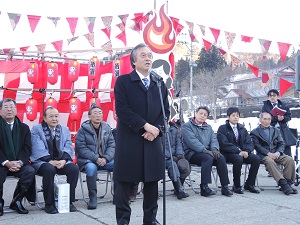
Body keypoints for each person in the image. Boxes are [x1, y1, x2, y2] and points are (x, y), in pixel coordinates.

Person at [113, 43, 170, 225]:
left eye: (150, 56)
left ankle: (150, 219)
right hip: (130, 140)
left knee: (152, 183)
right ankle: (123, 221)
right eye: (143, 55)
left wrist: (157, 130)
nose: (148, 58)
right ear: (134, 60)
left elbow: (165, 112)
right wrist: (145, 126)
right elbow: (123, 110)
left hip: (152, 141)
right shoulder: (123, 82)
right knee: (124, 183)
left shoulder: (158, 83)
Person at [30, 106, 79, 214]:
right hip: (43, 162)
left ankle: (69, 201)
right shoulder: (36, 129)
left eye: (56, 116)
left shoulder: (64, 129)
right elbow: (37, 147)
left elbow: (68, 146)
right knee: (49, 169)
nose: (54, 119)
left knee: (74, 169)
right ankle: (49, 203)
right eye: (51, 116)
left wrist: (64, 160)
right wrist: (49, 160)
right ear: (44, 118)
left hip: (60, 161)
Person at [182, 106, 233, 197]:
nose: (202, 116)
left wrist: (214, 149)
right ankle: (204, 187)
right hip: (192, 153)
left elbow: (214, 140)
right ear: (196, 114)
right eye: (200, 114)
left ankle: (225, 186)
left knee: (220, 157)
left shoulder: (208, 127)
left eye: (205, 115)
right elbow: (192, 142)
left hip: (208, 152)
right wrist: (204, 150)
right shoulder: (187, 126)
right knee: (207, 158)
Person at [0, 98, 36, 216]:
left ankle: (17, 200)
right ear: (0, 110)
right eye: (6, 107)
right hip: (2, 163)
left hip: (18, 162)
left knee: (30, 171)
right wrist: (6, 162)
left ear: (16, 110)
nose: (9, 110)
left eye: (12, 107)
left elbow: (27, 148)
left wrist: (20, 162)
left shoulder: (23, 127)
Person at [75, 105, 115, 210]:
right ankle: (93, 197)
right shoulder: (82, 130)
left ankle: (118, 194)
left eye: (100, 113)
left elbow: (112, 146)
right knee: (91, 168)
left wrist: (106, 158)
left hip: (105, 160)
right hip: (88, 160)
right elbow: (81, 148)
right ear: (89, 116)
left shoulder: (107, 128)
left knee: (118, 165)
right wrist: (96, 158)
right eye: (95, 113)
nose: (98, 115)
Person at [250, 112, 297, 195]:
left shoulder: (276, 130)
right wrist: (268, 153)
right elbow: (257, 146)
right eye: (265, 119)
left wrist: (278, 152)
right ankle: (283, 183)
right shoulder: (255, 132)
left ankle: (288, 183)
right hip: (263, 155)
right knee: (269, 161)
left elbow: (281, 143)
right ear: (260, 120)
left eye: (269, 119)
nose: (267, 121)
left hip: (276, 153)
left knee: (289, 160)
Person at [217, 107, 260, 194]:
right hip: (228, 153)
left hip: (243, 152)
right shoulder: (222, 128)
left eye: (237, 115)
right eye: (233, 115)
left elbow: (249, 142)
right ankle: (236, 185)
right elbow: (224, 144)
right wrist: (238, 151)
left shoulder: (242, 129)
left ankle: (249, 184)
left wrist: (247, 151)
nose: (236, 117)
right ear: (228, 117)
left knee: (256, 159)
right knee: (238, 159)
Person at [262, 89, 294, 156]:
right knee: (273, 146)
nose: (272, 97)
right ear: (268, 97)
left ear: (277, 96)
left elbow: (289, 116)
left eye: (274, 95)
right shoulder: (265, 106)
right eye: (270, 96)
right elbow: (264, 117)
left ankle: (287, 162)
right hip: (271, 129)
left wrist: (284, 118)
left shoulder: (284, 105)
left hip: (282, 128)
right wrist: (276, 118)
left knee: (285, 146)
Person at [164, 121, 190, 199]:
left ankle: (179, 187)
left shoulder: (174, 129)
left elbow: (178, 143)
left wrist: (179, 154)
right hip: (162, 157)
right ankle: (179, 189)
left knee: (184, 165)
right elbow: (160, 146)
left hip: (174, 156)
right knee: (173, 165)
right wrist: (170, 156)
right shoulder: (158, 128)